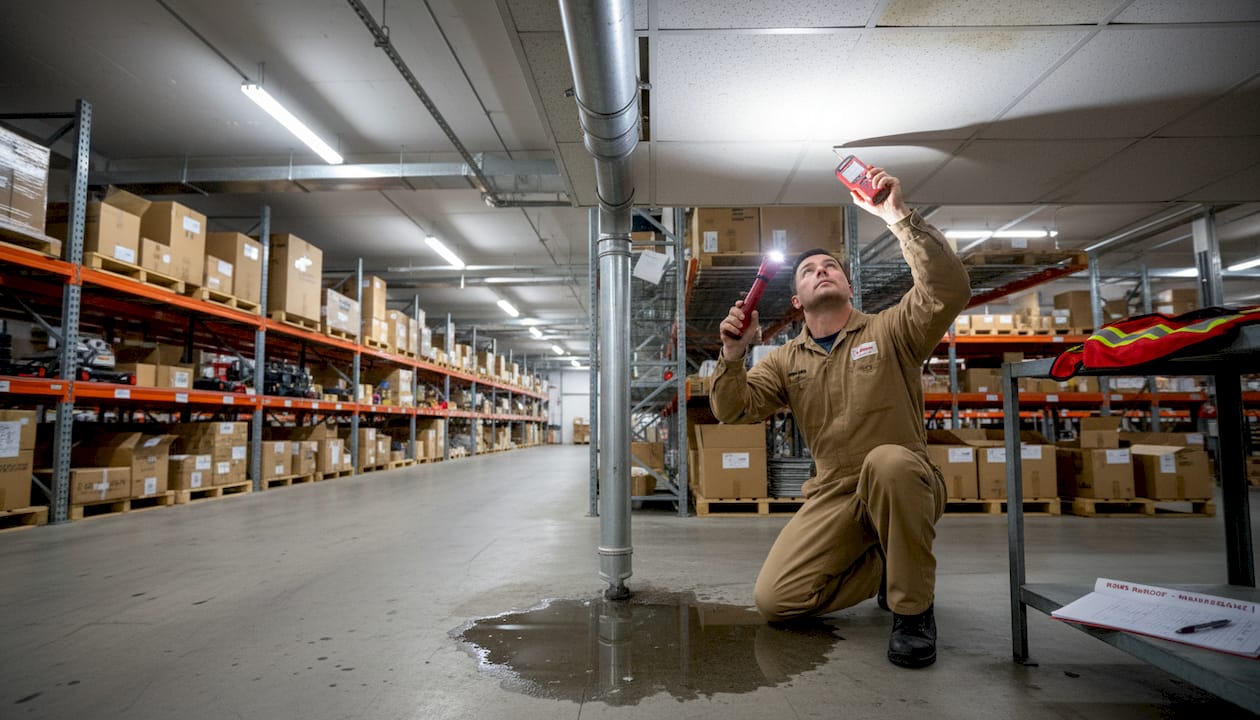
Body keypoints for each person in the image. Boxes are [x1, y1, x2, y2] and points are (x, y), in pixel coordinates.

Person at [708, 165, 970, 668]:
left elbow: (947, 290)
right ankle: (894, 561)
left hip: (905, 481)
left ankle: (912, 609)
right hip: (835, 495)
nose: (820, 271)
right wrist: (734, 355)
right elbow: (733, 410)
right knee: (776, 601)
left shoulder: (893, 332)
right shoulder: (785, 361)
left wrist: (898, 217)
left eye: (830, 266)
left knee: (889, 462)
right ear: (796, 301)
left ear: (849, 286)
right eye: (808, 271)